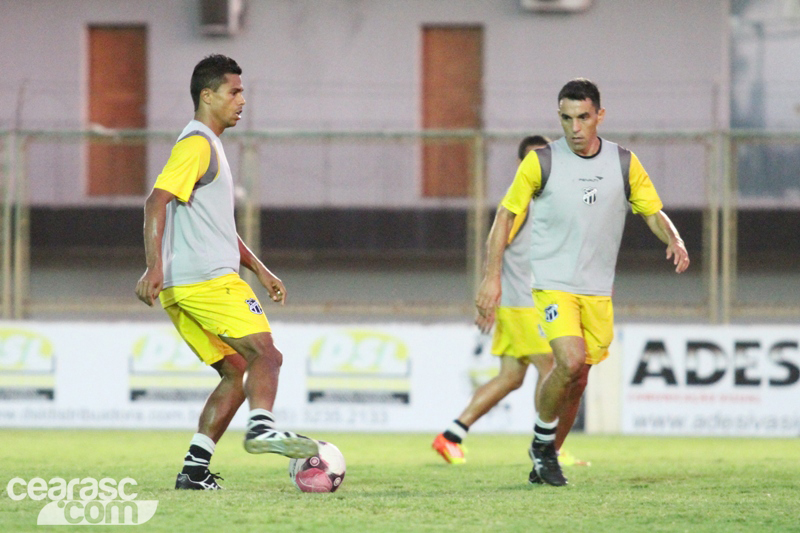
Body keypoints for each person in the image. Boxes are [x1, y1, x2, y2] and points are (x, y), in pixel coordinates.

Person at [476, 78, 690, 487]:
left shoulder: (624, 162)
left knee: (579, 379)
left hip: (597, 289)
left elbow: (651, 211)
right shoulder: (542, 161)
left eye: (583, 117)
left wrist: (675, 238)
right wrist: (491, 278)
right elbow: (505, 216)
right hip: (553, 282)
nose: (574, 127)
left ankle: (547, 456)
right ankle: (542, 443)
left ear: (599, 116)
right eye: (566, 118)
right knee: (569, 361)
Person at [135, 54, 318, 490]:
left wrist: (260, 269)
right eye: (234, 92)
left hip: (187, 288)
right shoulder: (197, 144)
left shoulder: (207, 146)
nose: (242, 100)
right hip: (208, 281)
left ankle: (194, 471)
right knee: (267, 356)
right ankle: (262, 428)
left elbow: (218, 228)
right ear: (208, 95)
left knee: (237, 371)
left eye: (242, 92)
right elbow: (154, 202)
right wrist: (152, 266)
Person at [432, 136, 589, 477]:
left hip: (522, 304)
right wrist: (490, 287)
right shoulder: (522, 203)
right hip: (524, 305)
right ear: (522, 167)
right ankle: (549, 449)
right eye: (534, 161)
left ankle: (451, 436)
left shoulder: (546, 201)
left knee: (510, 378)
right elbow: (496, 241)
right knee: (553, 368)